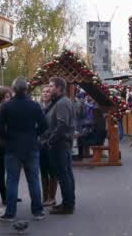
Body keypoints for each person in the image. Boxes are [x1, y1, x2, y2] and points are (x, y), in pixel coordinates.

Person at [0, 77, 49, 222]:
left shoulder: (6, 107)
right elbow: (44, 125)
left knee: (12, 180)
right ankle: (38, 211)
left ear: (13, 90)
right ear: (26, 89)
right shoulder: (34, 106)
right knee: (33, 180)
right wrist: (34, 134)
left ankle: (10, 213)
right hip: (31, 146)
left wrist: (8, 138)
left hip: (12, 148)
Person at [42, 77, 76, 214]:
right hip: (60, 143)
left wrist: (50, 141)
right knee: (65, 174)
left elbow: (62, 125)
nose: (49, 88)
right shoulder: (59, 102)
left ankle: (68, 205)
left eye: (51, 86)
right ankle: (68, 202)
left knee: (63, 175)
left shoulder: (62, 103)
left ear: (59, 88)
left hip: (59, 144)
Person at [0, 87, 13, 205]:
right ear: (1, 98)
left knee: (8, 170)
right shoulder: (0, 109)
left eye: (9, 97)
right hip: (1, 143)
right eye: (6, 97)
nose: (8, 99)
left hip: (3, 142)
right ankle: (5, 195)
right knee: (2, 170)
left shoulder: (6, 108)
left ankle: (9, 194)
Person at [39, 85, 58, 207]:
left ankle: (52, 197)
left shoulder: (55, 106)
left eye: (47, 92)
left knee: (52, 170)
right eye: (43, 92)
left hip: (51, 142)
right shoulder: (38, 107)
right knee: (43, 170)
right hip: (40, 142)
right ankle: (44, 196)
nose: (45, 94)